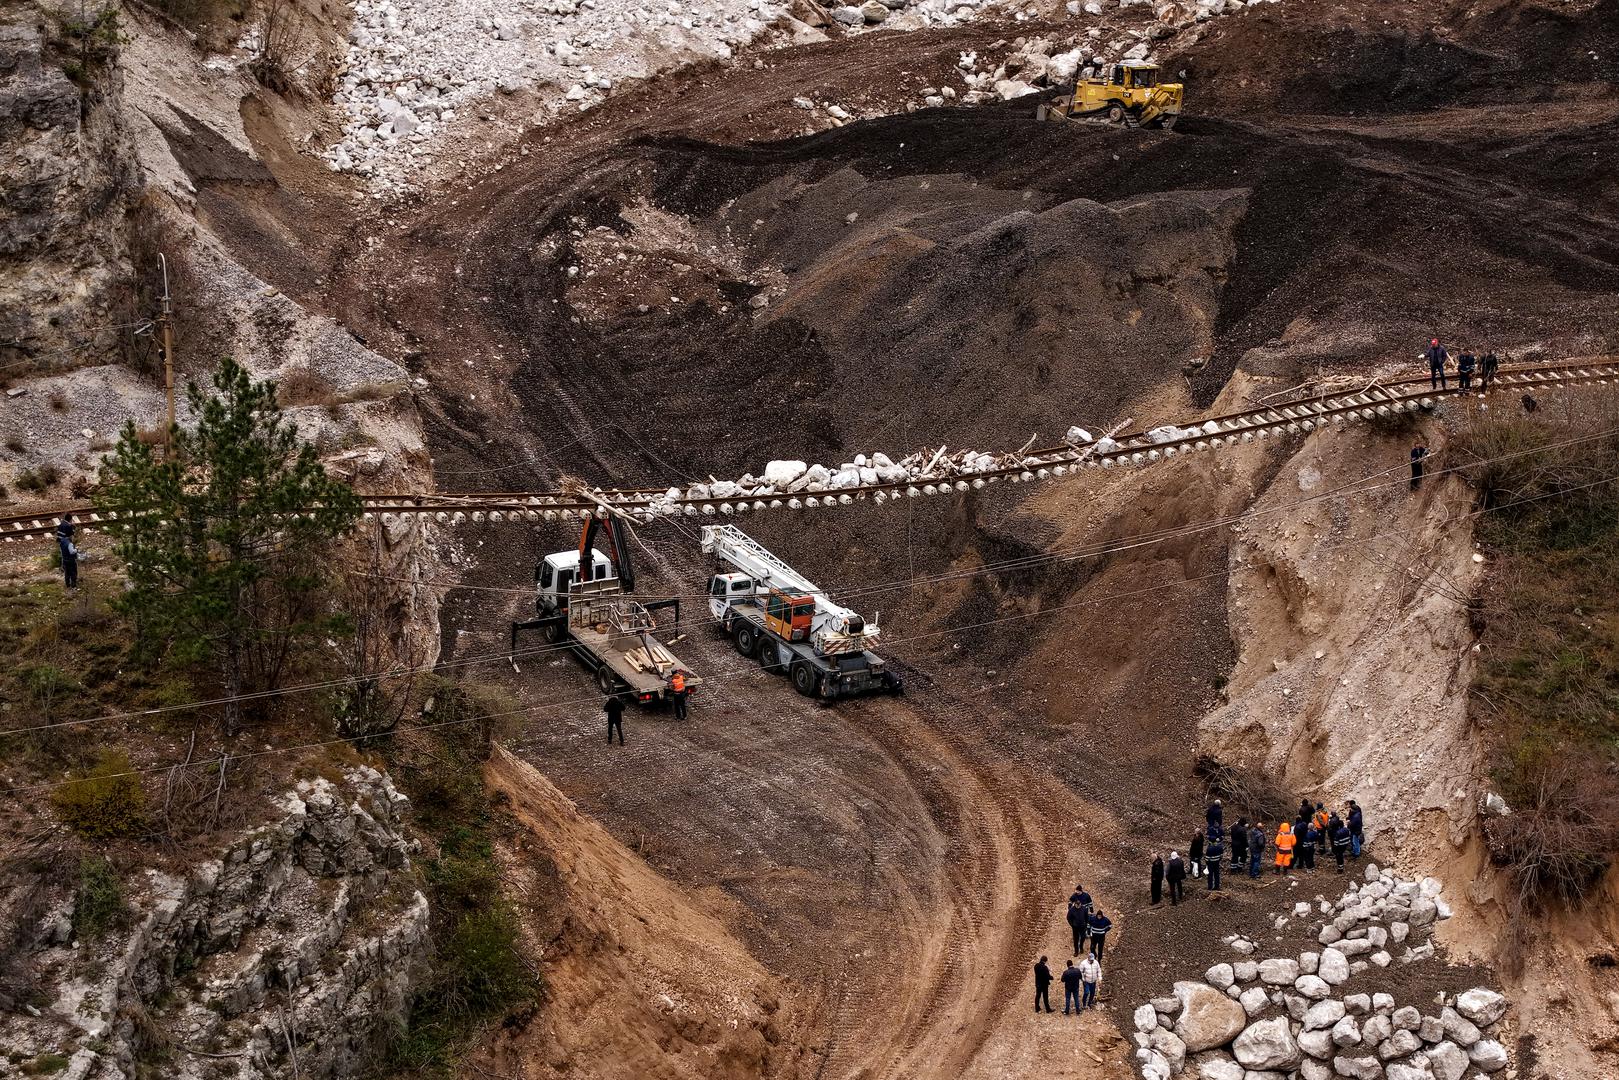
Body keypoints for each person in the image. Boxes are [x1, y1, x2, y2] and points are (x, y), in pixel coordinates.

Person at [55, 515, 79, 589]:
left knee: (67, 572)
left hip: (62, 545)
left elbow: (58, 535)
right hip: (70, 557)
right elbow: (72, 551)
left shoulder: (61, 524)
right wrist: (76, 550)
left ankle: (67, 585)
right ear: (70, 519)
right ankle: (73, 585)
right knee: (73, 572)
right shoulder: (68, 527)